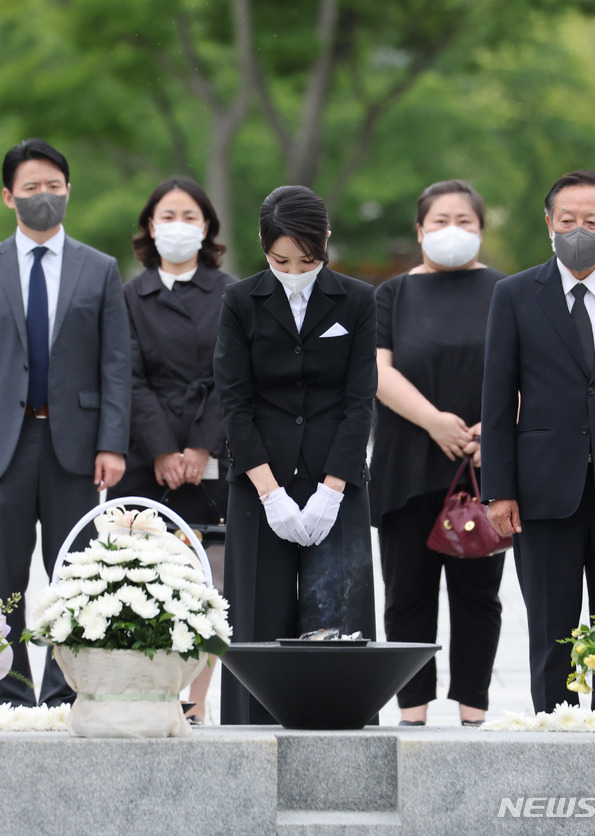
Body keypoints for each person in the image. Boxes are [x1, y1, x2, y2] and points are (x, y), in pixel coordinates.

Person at [0, 138, 131, 707]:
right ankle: (12, 693)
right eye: (31, 188)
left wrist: (113, 443)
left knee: (75, 576)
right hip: (2, 446)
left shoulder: (99, 270)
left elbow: (115, 362)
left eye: (53, 186)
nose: (43, 196)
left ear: (69, 190)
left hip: (75, 445)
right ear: (9, 197)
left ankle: (63, 693)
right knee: (5, 578)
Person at [482, 169, 595, 713]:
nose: (580, 229)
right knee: (552, 628)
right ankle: (551, 727)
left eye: (592, 221)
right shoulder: (514, 294)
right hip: (542, 490)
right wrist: (499, 490)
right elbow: (498, 399)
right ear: (549, 224)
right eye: (568, 220)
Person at [214, 185, 377, 725]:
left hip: (337, 480)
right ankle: (251, 751)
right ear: (263, 249)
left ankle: (345, 753)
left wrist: (332, 491)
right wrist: (271, 492)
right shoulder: (240, 301)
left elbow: (359, 401)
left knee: (341, 619)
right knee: (258, 625)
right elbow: (235, 402)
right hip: (261, 483)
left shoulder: (356, 299)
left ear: (326, 243)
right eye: (281, 260)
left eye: (307, 260)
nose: (294, 270)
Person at [370, 180, 505, 727]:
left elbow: (527, 373)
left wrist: (490, 431)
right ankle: (412, 713)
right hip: (408, 463)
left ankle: (473, 710)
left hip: (480, 467)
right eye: (441, 221)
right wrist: (434, 421)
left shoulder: (507, 291)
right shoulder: (392, 295)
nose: (453, 231)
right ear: (420, 229)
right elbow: (378, 371)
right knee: (407, 595)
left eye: (465, 222)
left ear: (480, 230)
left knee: (479, 598)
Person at [107, 176, 234, 724]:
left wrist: (199, 446)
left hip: (213, 455)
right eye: (167, 216)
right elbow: (126, 377)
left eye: (189, 216)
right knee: (137, 579)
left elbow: (231, 376)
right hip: (143, 458)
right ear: (149, 228)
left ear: (206, 227)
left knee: (209, 583)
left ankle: (196, 706)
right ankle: (141, 700)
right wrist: (162, 448)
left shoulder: (232, 293)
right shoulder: (127, 295)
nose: (178, 226)